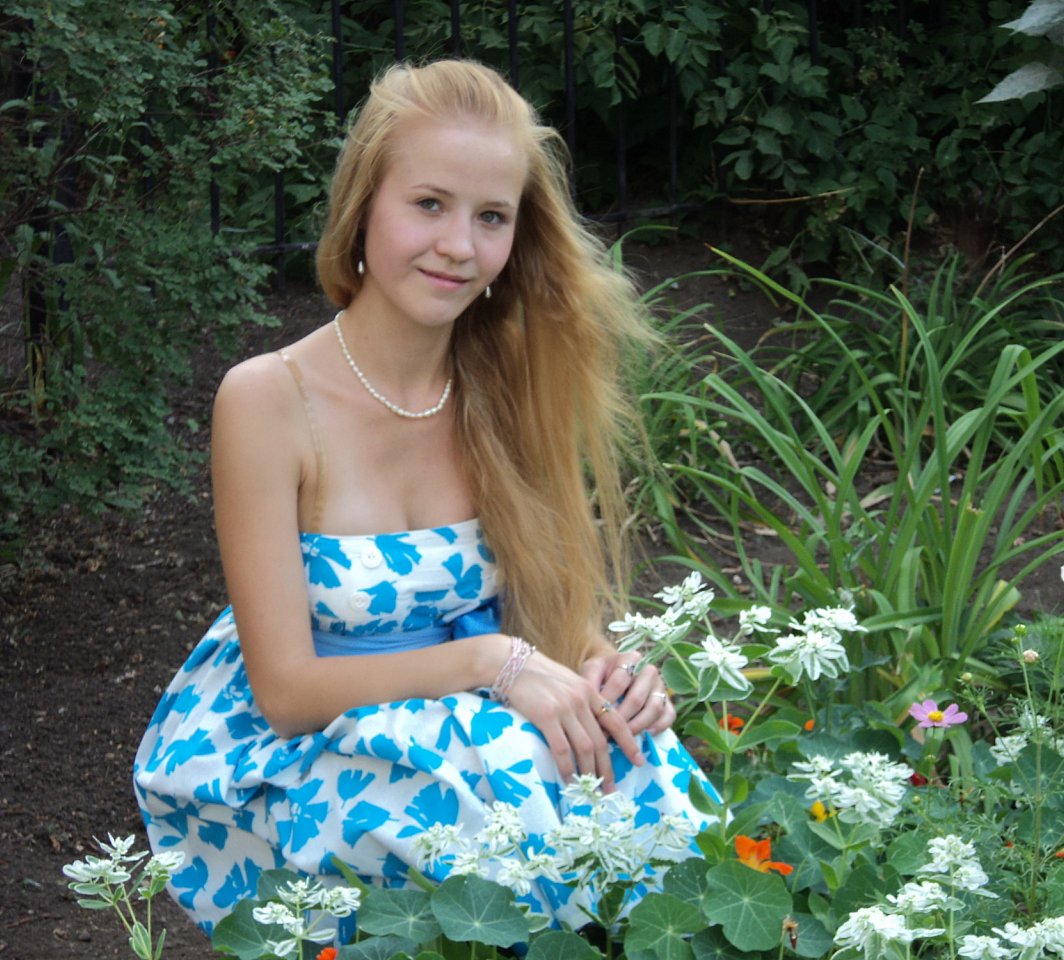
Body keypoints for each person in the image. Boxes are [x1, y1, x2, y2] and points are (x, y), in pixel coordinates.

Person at [133, 59, 715, 936]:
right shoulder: (268, 399)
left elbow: (542, 607)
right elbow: (287, 691)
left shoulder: (505, 380)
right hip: (322, 751)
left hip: (483, 736)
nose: (459, 246)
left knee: (636, 768)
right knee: (502, 816)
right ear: (362, 208)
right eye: (430, 204)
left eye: (492, 218)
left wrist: (609, 669)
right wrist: (491, 664)